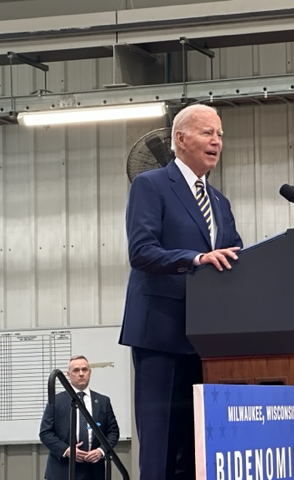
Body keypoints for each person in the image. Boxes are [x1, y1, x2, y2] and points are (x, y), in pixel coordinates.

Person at [119, 104, 243, 480]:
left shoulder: (220, 202)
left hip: (205, 339)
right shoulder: (151, 184)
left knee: (195, 448)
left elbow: (236, 254)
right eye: (208, 133)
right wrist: (196, 258)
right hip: (160, 333)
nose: (216, 141)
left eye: (220, 134)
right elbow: (141, 252)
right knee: (160, 448)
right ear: (180, 139)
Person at [39, 355, 119, 480]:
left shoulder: (103, 401)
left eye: (84, 369)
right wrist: (67, 450)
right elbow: (45, 433)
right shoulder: (56, 401)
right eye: (76, 370)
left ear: (90, 372)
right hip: (62, 470)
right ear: (68, 374)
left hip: (94, 470)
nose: (81, 374)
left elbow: (113, 432)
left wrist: (101, 451)